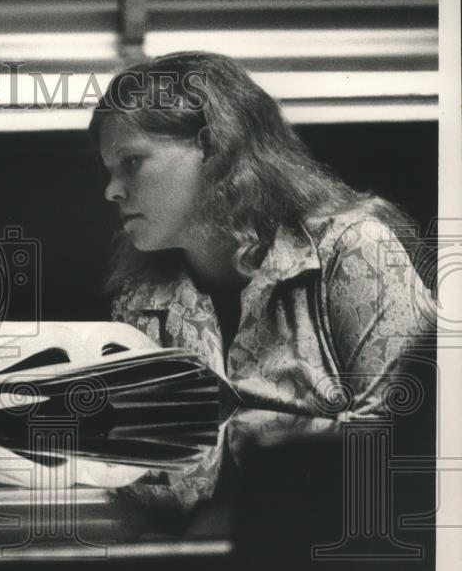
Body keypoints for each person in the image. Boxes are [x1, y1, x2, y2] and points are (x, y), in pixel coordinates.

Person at [90, 51, 435, 507]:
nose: (111, 190)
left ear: (210, 149)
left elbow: (410, 443)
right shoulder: (139, 301)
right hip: (195, 565)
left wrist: (256, 432)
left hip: (335, 558)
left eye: (131, 162)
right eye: (110, 171)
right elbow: (140, 485)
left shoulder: (352, 249)